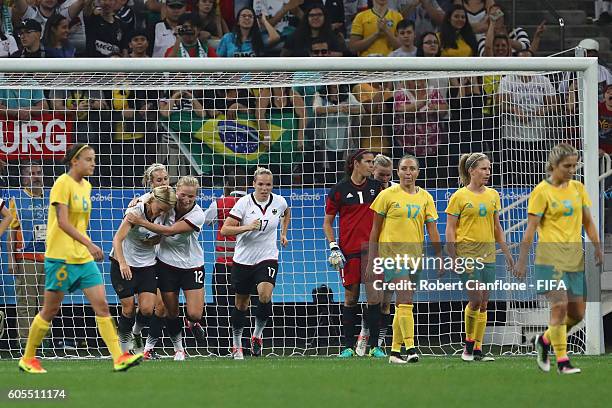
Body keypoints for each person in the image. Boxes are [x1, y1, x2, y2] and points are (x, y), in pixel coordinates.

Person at [18, 144, 143, 374]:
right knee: (49, 310)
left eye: (93, 159)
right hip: (60, 257)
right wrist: (90, 244)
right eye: (88, 159)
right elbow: (63, 223)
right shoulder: (61, 184)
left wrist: (86, 247)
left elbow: (80, 225)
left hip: (82, 258)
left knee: (102, 306)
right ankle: (28, 358)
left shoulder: (86, 186)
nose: (93, 163)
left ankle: (118, 358)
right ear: (74, 161)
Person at [516, 143, 603, 374]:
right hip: (549, 259)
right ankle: (563, 361)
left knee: (577, 314)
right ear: (553, 165)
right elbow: (531, 228)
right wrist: (522, 260)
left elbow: (587, 221)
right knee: (559, 306)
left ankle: (543, 341)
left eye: (575, 165)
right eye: (567, 166)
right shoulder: (541, 191)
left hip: (574, 259)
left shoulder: (578, 188)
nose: (572, 170)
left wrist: (597, 246)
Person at [369, 154, 441, 363]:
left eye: (412, 169)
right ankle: (410, 347)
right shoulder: (386, 195)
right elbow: (375, 229)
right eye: (404, 169)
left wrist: (440, 256)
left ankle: (394, 352)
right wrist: (373, 257)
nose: (408, 173)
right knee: (406, 297)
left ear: (417, 172)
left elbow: (432, 229)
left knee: (403, 303)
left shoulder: (426, 197)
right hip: (391, 254)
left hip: (414, 256)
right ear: (397, 172)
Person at [126, 176, 207, 361]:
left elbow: (170, 231)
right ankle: (178, 349)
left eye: (191, 197)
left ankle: (191, 323)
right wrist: (138, 200)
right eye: (183, 195)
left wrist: (141, 221)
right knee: (169, 311)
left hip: (192, 265)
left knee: (195, 314)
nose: (186, 200)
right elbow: (152, 197)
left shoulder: (197, 214)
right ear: (175, 191)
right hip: (165, 264)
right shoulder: (167, 203)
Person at [445, 152, 514, 362]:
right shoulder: (459, 196)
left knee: (484, 303)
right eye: (484, 168)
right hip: (467, 254)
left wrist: (508, 252)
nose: (488, 172)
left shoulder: (493, 195)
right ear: (471, 170)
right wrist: (453, 255)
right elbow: (450, 229)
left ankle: (477, 349)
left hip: (488, 255)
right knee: (474, 299)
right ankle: (467, 346)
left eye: (489, 168)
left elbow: (496, 227)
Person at [220, 167, 290, 360]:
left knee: (265, 295)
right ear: (253, 184)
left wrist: (283, 234)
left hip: (267, 257)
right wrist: (248, 227)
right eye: (260, 184)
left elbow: (286, 213)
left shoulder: (279, 201)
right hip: (243, 260)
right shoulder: (243, 203)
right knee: (241, 305)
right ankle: (236, 345)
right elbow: (225, 230)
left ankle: (257, 336)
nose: (264, 188)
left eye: (268, 184)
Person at [323, 149, 385, 358]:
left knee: (374, 298)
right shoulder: (339, 190)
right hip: (348, 252)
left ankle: (375, 346)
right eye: (368, 162)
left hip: (373, 251)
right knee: (351, 298)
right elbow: (327, 223)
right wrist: (333, 245)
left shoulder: (378, 188)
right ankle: (347, 347)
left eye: (373, 162)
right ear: (355, 164)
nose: (372, 166)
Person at [203, 169, 248, 355]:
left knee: (222, 306)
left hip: (223, 264)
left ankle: (222, 346)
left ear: (227, 186)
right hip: (245, 265)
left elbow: (206, 221)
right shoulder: (251, 204)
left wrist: (223, 197)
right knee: (244, 307)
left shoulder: (220, 203)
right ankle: (244, 345)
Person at [6, 162, 48, 350]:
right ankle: (25, 342)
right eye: (31, 173)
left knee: (46, 303)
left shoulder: (52, 198)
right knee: (26, 302)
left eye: (39, 172)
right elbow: (12, 232)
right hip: (27, 257)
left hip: (50, 258)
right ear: (24, 177)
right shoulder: (18, 200)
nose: (36, 176)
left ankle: (44, 342)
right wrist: (11, 258)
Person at [281, 4, 347, 57]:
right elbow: (283, 57)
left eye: (319, 15)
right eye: (312, 15)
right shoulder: (295, 37)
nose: (315, 18)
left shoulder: (335, 35)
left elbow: (342, 55)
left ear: (325, 17)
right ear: (306, 18)